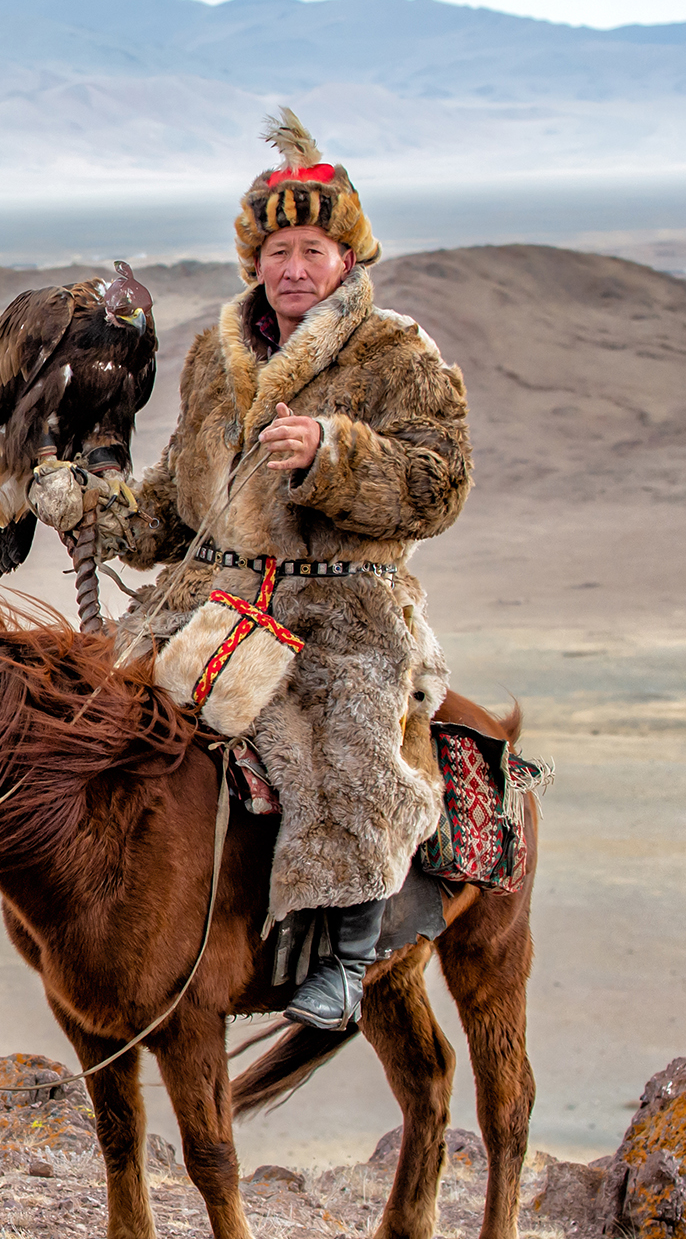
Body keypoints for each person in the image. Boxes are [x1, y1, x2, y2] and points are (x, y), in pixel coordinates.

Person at [43, 109, 470, 1030]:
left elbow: (438, 486)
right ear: (255, 261)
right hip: (208, 600)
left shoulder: (399, 355)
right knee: (86, 720)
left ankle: (344, 955)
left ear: (347, 259)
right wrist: (97, 510)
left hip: (343, 610)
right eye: (278, 251)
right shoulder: (215, 358)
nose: (294, 267)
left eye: (313, 249)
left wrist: (334, 455)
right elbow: (174, 501)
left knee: (347, 747)